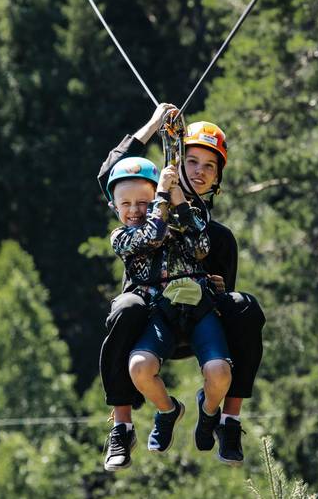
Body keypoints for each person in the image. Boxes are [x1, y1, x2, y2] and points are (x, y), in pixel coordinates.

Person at [98, 103, 266, 470]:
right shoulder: (142, 206)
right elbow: (112, 174)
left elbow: (221, 287)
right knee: (124, 309)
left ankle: (227, 417)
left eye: (210, 166)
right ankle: (122, 424)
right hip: (150, 311)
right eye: (192, 162)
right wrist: (153, 126)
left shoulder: (215, 235)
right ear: (176, 161)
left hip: (197, 314)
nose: (200, 173)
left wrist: (216, 289)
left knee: (246, 307)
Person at [106, 155, 233, 457]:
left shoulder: (179, 220)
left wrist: (176, 195)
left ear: (152, 202)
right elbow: (152, 237)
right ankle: (167, 410)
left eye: (142, 202)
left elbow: (201, 247)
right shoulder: (122, 236)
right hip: (159, 312)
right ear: (114, 208)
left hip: (198, 308)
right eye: (126, 204)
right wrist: (162, 194)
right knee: (139, 368)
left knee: (220, 373)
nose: (134, 210)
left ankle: (209, 409)